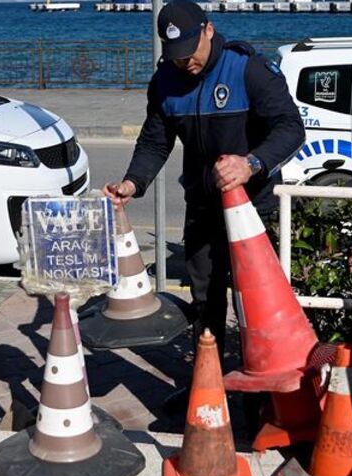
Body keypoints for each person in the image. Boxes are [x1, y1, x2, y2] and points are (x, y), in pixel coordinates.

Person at [103, 1, 304, 374]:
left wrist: (251, 163)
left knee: (255, 302)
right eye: (176, 55)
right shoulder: (165, 80)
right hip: (202, 206)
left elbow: (291, 128)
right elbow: (155, 141)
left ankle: (260, 393)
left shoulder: (248, 68)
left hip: (253, 209)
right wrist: (133, 182)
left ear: (208, 30)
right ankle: (209, 385)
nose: (186, 62)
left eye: (190, 51)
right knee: (205, 301)